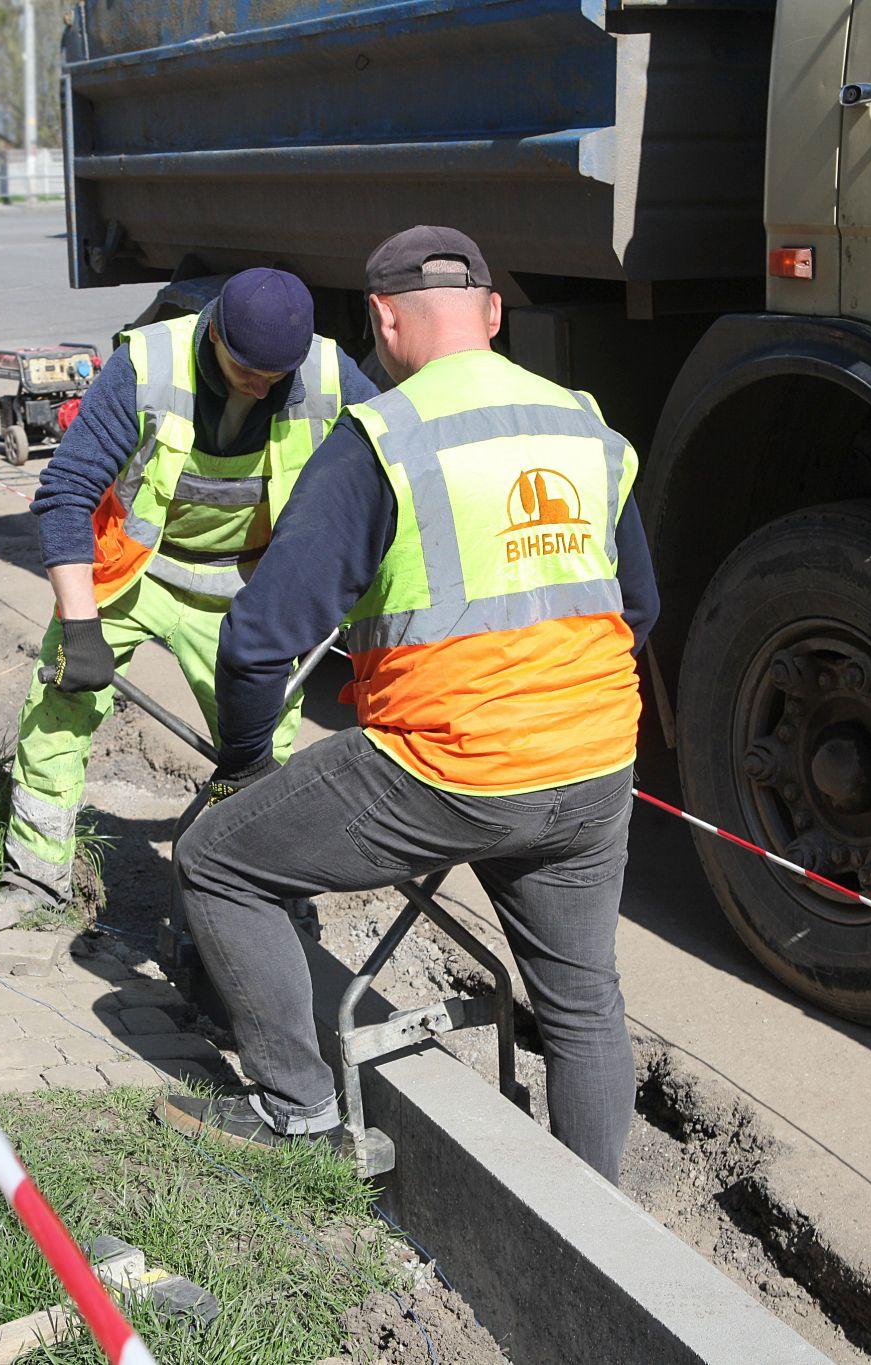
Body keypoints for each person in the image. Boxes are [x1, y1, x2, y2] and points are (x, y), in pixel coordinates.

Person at [163, 227, 659, 1183]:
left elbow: (260, 638)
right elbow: (639, 607)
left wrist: (243, 764)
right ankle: (599, 1221)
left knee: (216, 861)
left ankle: (299, 1111)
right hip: (597, 762)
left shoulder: (382, 437)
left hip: (445, 765)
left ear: (383, 320)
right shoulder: (586, 426)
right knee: (584, 999)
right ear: (494, 315)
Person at [0, 268, 382, 925]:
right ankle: (34, 882)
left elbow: (391, 475)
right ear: (215, 332)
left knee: (261, 757)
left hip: (247, 588)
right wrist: (81, 629)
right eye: (248, 369)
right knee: (60, 704)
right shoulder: (147, 365)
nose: (263, 385)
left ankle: (253, 900)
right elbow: (64, 494)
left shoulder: (331, 377)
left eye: (278, 374)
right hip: (139, 572)